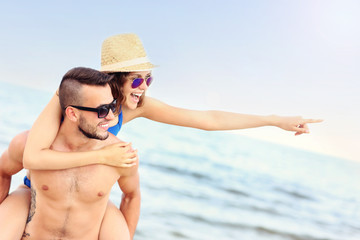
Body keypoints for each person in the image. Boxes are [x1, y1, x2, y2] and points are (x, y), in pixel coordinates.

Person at [0, 33, 322, 238]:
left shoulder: (134, 106)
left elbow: (206, 119)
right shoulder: (73, 98)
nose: (144, 89)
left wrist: (274, 120)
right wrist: (103, 156)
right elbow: (32, 155)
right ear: (117, 78)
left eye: (148, 80)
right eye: (137, 81)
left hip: (87, 190)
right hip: (45, 187)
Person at [22, 67, 140, 239]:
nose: (110, 116)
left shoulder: (122, 155)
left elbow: (132, 196)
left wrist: (126, 236)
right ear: (72, 113)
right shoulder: (30, 145)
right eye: (101, 110)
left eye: (112, 106)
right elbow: (4, 172)